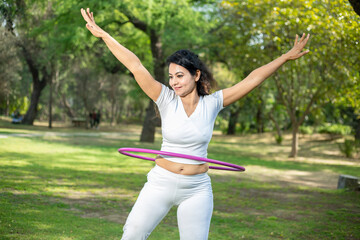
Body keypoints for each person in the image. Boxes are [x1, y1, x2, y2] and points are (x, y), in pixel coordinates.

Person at [81, 8, 310, 240]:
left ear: (196, 75)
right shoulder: (165, 98)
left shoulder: (213, 103)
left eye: (180, 76)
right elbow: (135, 65)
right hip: (161, 182)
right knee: (131, 235)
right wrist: (105, 36)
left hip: (197, 189)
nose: (174, 82)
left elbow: (253, 79)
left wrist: (284, 57)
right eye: (171, 77)